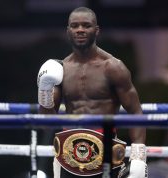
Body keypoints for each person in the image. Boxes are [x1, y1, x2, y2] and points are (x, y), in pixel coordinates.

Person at [37, 7, 147, 178]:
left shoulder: (113, 67)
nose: (80, 29)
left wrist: (139, 157)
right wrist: (44, 91)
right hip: (69, 158)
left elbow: (135, 112)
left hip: (105, 157)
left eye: (86, 25)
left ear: (96, 31)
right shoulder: (60, 69)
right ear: (68, 31)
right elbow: (47, 124)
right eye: (75, 26)